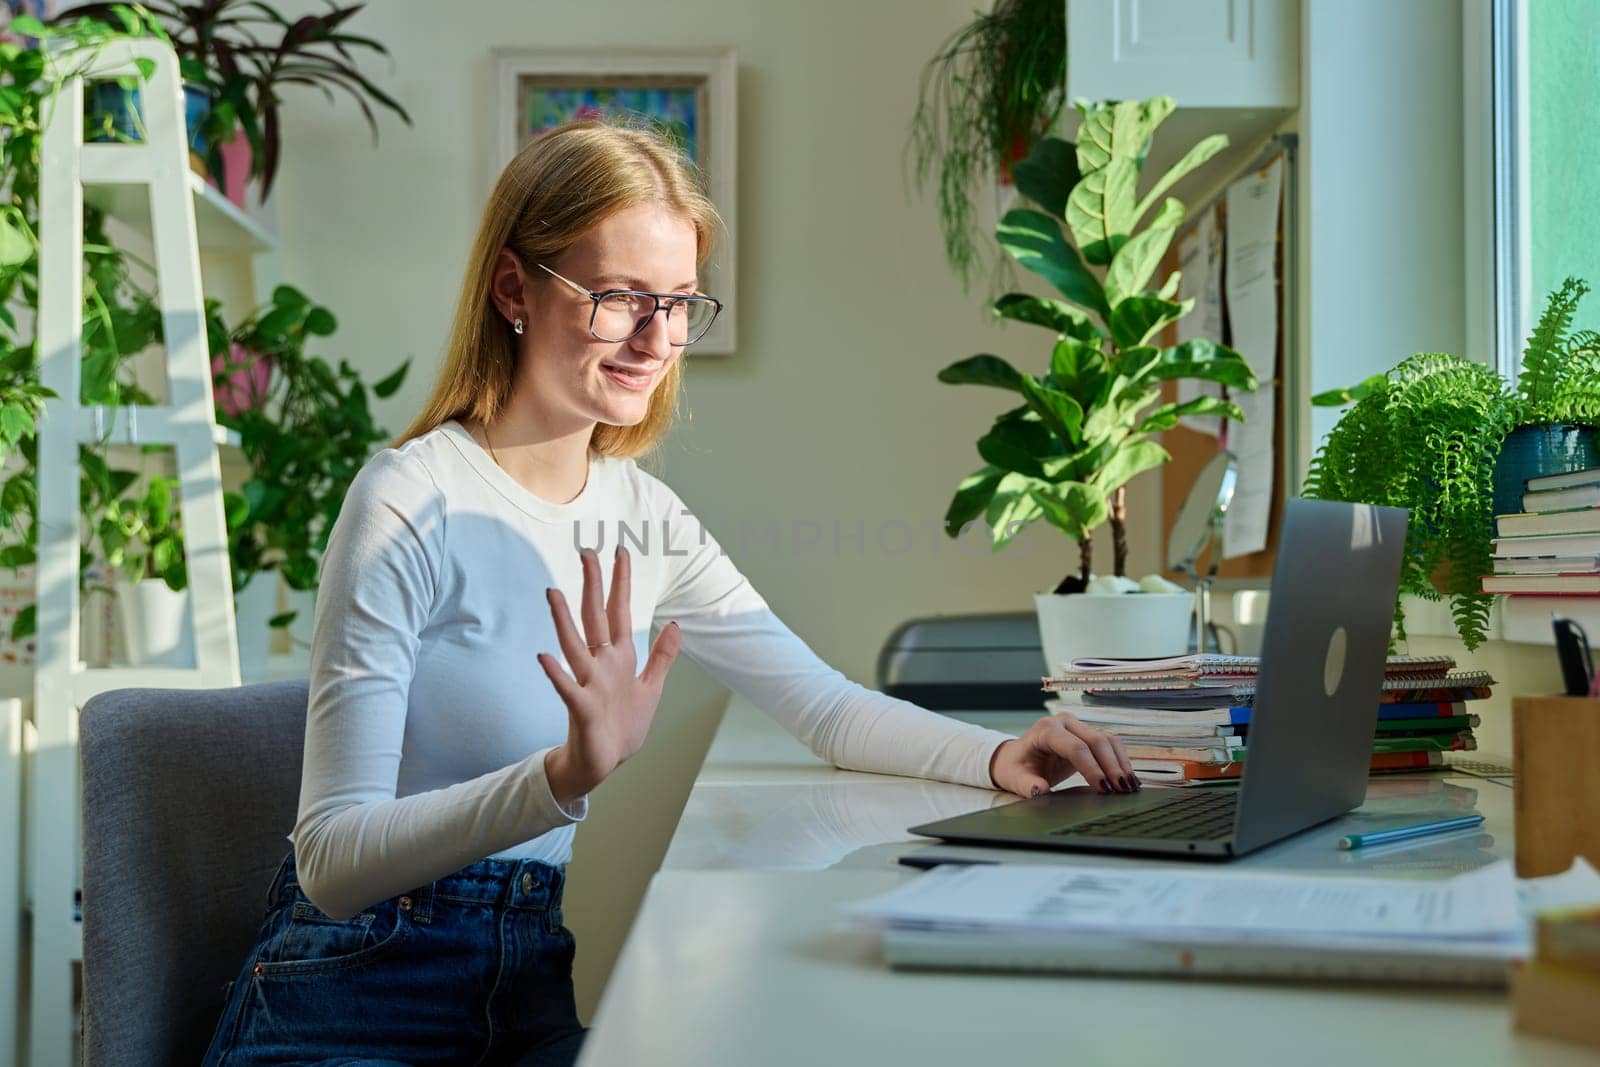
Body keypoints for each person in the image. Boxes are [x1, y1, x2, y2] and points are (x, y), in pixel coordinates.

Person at [200, 118, 1137, 1067]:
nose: (658, 339)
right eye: (620, 297)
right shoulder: (410, 496)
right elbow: (329, 861)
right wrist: (560, 778)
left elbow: (824, 708)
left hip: (525, 982)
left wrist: (1003, 756)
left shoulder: (643, 515)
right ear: (514, 288)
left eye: (682, 302)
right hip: (352, 985)